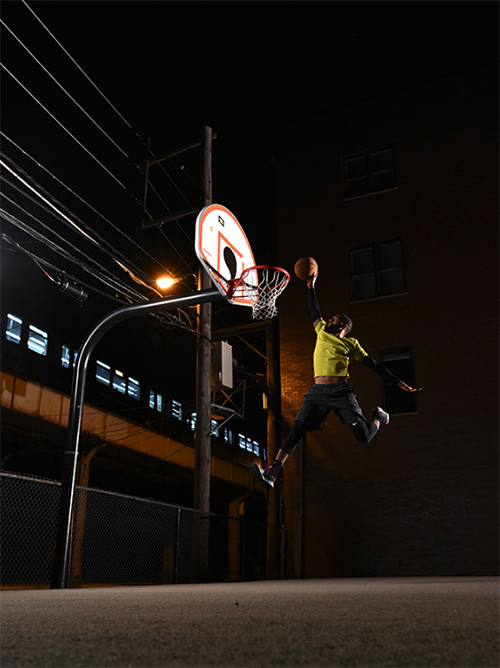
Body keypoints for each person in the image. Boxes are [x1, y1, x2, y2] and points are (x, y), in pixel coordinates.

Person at [250, 273, 421, 489]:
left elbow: (374, 365)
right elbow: (314, 309)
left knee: (364, 436)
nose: (329, 320)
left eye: (334, 320)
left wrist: (397, 382)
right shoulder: (321, 331)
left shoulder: (352, 344)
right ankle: (273, 473)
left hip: (341, 392)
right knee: (297, 429)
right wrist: (311, 286)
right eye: (330, 319)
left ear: (343, 327)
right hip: (317, 393)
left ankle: (379, 417)